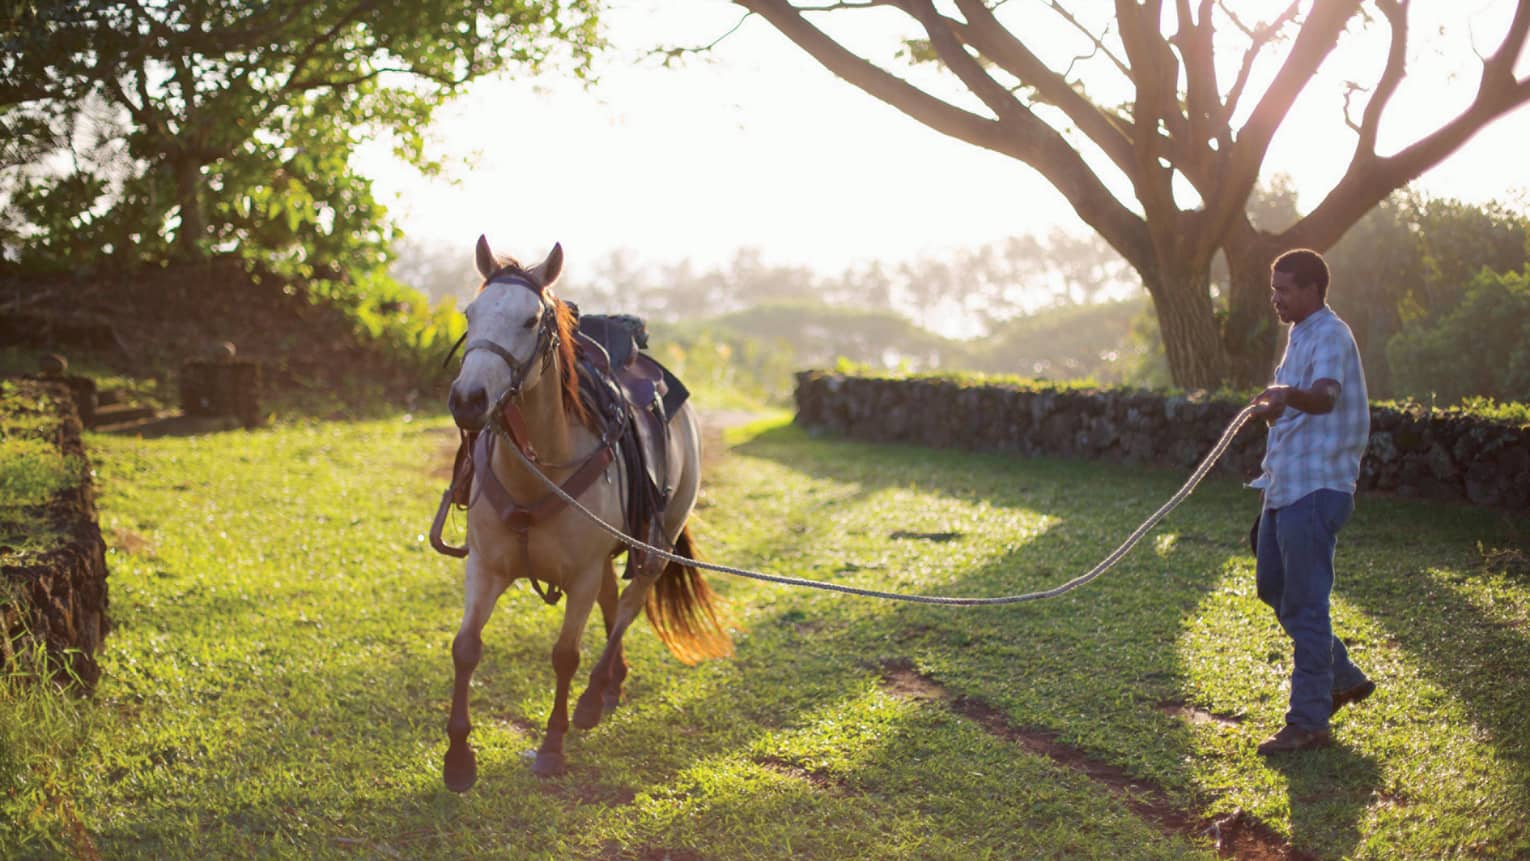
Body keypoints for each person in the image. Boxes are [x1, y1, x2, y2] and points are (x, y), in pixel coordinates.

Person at [1246, 248, 1375, 756]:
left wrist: (1286, 395)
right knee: (1273, 586)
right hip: (1286, 484)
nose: (1275, 298)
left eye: (1284, 289)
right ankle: (1340, 675)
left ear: (1312, 289)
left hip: (1319, 487)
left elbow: (1323, 396)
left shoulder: (1329, 333)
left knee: (1306, 600)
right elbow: (1298, 407)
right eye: (1273, 288)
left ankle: (1308, 722)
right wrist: (1276, 406)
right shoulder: (1299, 334)